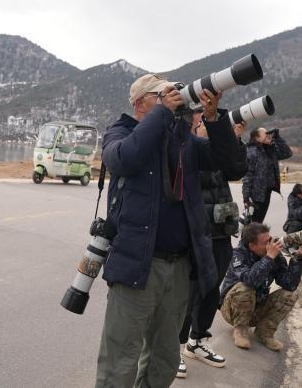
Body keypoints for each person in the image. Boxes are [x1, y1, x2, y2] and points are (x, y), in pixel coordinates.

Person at [95, 73, 242, 388]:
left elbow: (231, 164)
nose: (175, 96)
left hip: (178, 270)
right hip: (136, 266)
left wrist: (215, 118)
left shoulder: (183, 142)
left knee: (165, 360)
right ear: (141, 102)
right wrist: (162, 113)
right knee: (120, 360)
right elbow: (123, 158)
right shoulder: (121, 132)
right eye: (163, 94)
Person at [176, 118, 247, 379]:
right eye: (203, 123)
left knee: (210, 291)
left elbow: (237, 170)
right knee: (189, 294)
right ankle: (175, 348)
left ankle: (197, 340)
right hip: (198, 234)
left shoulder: (217, 150)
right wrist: (210, 141)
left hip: (221, 232)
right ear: (193, 127)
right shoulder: (189, 149)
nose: (209, 125)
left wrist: (236, 140)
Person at [218, 223, 302, 351]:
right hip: (232, 311)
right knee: (245, 288)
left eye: (270, 240)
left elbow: (289, 284)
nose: (271, 245)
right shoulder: (238, 255)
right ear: (252, 246)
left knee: (290, 295)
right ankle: (240, 330)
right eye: (266, 242)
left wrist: (297, 258)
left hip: (257, 308)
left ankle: (264, 332)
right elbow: (251, 281)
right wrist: (269, 258)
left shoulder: (275, 256)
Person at [242, 127, 292, 223]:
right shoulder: (252, 152)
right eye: (265, 134)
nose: (269, 135)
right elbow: (247, 176)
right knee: (251, 225)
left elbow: (287, 153)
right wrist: (246, 197)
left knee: (258, 223)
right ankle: (246, 238)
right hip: (255, 196)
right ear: (257, 138)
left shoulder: (270, 150)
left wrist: (278, 137)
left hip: (266, 193)